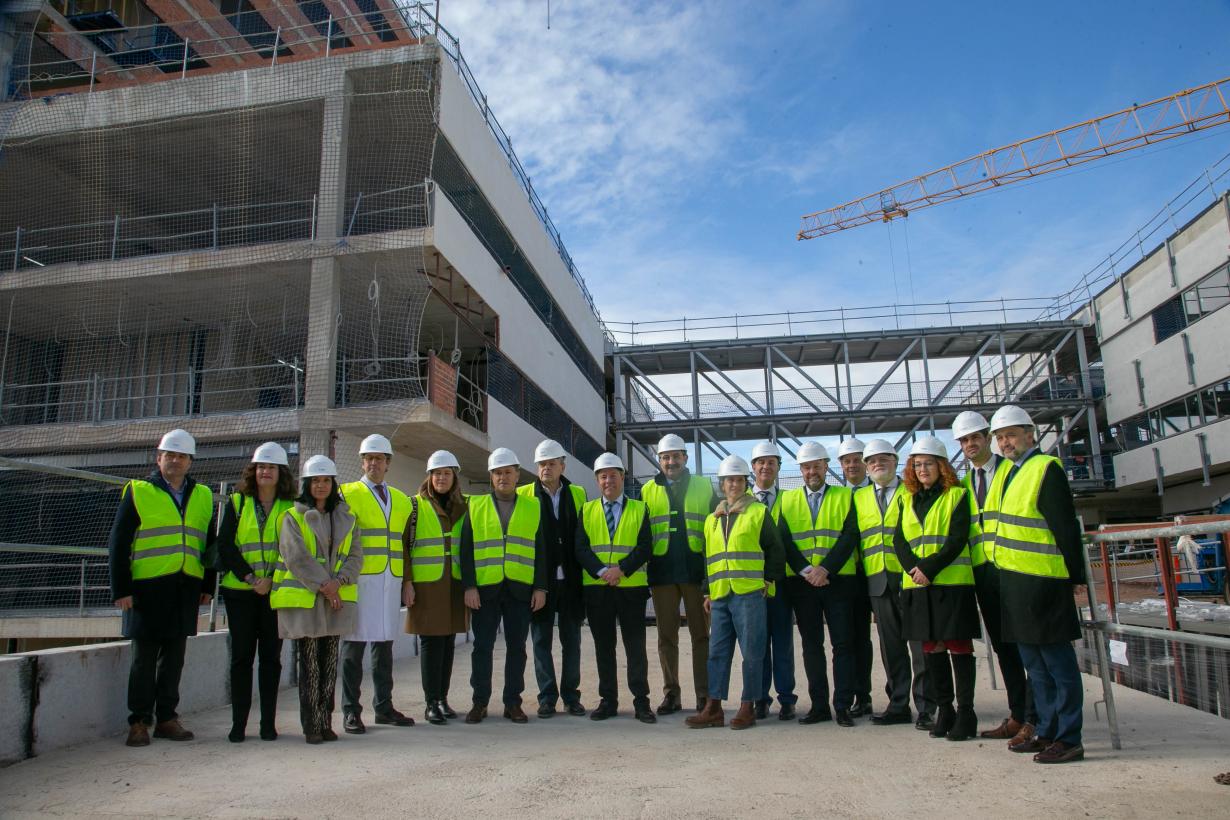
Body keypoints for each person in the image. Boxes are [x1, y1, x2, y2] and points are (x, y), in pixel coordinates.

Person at [987, 405, 1087, 764]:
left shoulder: (1045, 468)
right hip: (1015, 584)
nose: (1005, 442)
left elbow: (1065, 527)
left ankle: (1069, 738)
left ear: (1030, 435)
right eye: (1000, 437)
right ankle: (1046, 731)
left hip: (1045, 582)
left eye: (1011, 435)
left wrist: (1076, 577)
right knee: (1037, 669)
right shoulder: (1009, 474)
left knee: (1059, 666)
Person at [108, 428, 216, 747]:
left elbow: (208, 543)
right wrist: (121, 589)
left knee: (174, 658)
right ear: (159, 459)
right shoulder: (139, 491)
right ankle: (139, 722)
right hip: (147, 588)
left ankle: (167, 719)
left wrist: (208, 584)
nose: (176, 461)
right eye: (170, 455)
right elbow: (118, 542)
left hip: (186, 586)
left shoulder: (203, 495)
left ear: (190, 462)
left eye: (182, 456)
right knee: (143, 659)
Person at [952, 410, 1038, 747]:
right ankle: (1018, 714)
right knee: (1004, 648)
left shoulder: (1011, 471)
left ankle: (1034, 718)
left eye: (975, 437)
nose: (970, 444)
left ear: (988, 438)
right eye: (964, 440)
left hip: (1014, 569)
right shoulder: (963, 484)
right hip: (983, 573)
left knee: (1028, 647)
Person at [892, 436, 981, 742]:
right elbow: (899, 540)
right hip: (918, 585)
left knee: (958, 646)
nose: (922, 470)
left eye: (928, 463)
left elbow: (957, 538)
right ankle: (945, 709)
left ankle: (966, 712)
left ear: (941, 465)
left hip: (950, 583)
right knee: (932, 648)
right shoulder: (906, 499)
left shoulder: (957, 495)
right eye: (917, 464)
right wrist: (913, 569)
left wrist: (928, 568)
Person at [686, 455, 784, 730]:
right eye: (729, 480)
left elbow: (776, 550)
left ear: (745, 483)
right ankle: (714, 707)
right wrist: (707, 592)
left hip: (749, 594)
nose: (734, 485)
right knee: (717, 653)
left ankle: (747, 706)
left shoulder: (758, 512)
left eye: (739, 480)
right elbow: (708, 558)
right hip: (720, 596)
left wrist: (768, 581)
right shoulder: (712, 520)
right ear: (722, 484)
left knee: (752, 653)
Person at [272, 455, 363, 744]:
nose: (321, 485)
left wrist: (339, 582)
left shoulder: (347, 517)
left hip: (336, 601)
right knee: (310, 665)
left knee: (330, 664)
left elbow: (355, 557)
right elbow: (296, 557)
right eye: (315, 481)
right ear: (306, 484)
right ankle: (311, 724)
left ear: (333, 484)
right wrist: (326, 585)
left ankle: (326, 721)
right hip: (308, 601)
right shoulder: (292, 517)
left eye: (326, 480)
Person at [215, 441, 296, 742]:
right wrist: (250, 578)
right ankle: (238, 724)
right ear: (253, 470)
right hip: (240, 593)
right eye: (261, 466)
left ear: (281, 472)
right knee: (241, 659)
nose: (265, 471)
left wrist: (272, 580)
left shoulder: (291, 506)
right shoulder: (237, 502)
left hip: (275, 593)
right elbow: (225, 545)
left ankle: (267, 724)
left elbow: (295, 549)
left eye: (271, 467)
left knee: (271, 660)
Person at [460, 447, 548, 724]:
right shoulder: (475, 506)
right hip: (485, 590)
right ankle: (479, 702)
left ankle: (513, 703)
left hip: (520, 589)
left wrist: (540, 587)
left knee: (517, 648)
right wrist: (469, 586)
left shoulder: (533, 506)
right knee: (482, 647)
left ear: (517, 475)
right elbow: (465, 549)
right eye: (498, 472)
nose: (503, 477)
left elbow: (541, 550)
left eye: (508, 472)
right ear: (491, 476)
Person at [778, 441, 862, 727]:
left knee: (843, 645)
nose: (811, 471)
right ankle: (819, 706)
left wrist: (825, 569)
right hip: (803, 585)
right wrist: (806, 570)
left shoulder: (845, 496)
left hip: (838, 581)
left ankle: (843, 706)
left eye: (816, 466)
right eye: (806, 467)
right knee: (811, 646)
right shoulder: (786, 500)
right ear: (800, 470)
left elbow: (850, 536)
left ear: (826, 466)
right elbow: (784, 541)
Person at [853, 438, 933, 730]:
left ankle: (926, 707)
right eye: (872, 461)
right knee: (891, 648)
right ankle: (898, 704)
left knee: (920, 647)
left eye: (884, 459)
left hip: (911, 579)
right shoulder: (859, 497)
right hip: (878, 580)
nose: (878, 464)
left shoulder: (912, 491)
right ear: (866, 467)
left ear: (896, 461)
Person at [339, 434, 415, 733]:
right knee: (353, 648)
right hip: (359, 581)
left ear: (388, 463)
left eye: (379, 458)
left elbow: (404, 544)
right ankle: (350, 711)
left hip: (389, 581)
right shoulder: (347, 493)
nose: (374, 463)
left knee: (384, 647)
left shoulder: (401, 500)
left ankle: (384, 707)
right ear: (362, 462)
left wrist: (406, 580)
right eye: (369, 458)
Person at [574, 453, 655, 723]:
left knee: (635, 647)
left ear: (622, 477)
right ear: (597, 480)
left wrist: (620, 569)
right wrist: (602, 572)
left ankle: (641, 702)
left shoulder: (640, 509)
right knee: (604, 648)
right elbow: (581, 548)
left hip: (630, 589)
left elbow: (645, 547)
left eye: (613, 475)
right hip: (598, 590)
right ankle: (608, 701)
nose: (608, 480)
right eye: (603, 476)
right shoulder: (586, 510)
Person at [640, 433, 716, 715]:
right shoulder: (647, 490)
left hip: (696, 572)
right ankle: (671, 694)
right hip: (662, 573)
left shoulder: (704, 486)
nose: (670, 462)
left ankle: (704, 695)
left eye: (675, 456)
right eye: (665, 457)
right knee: (666, 638)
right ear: (659, 460)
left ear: (685, 457)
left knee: (701, 637)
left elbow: (716, 527)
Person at [518, 439, 588, 718]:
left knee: (572, 642)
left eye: (551, 463)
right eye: (542, 464)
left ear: (562, 466)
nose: (546, 468)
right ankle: (547, 698)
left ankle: (571, 697)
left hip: (571, 581)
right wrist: (536, 584)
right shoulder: (524, 494)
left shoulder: (578, 494)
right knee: (541, 642)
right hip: (540, 582)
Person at [403, 450, 469, 725]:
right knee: (431, 643)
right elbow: (404, 548)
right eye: (437, 473)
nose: (441, 478)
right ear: (429, 477)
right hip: (427, 586)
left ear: (454, 477)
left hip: (454, 584)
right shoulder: (414, 505)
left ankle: (442, 698)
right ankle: (431, 703)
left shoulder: (464, 505)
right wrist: (407, 583)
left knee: (448, 642)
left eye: (446, 473)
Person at [748, 440, 797, 721]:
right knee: (757, 644)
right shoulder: (741, 500)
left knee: (782, 642)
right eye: (761, 462)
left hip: (783, 582)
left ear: (778, 466)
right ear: (753, 467)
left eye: (771, 462)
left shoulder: (790, 499)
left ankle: (786, 698)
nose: (765, 467)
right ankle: (760, 698)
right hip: (752, 583)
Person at [838, 436, 874, 718]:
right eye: (847, 461)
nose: (852, 465)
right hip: (849, 578)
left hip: (879, 573)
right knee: (853, 639)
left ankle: (899, 699)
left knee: (889, 641)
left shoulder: (879, 491)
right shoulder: (839, 498)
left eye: (857, 460)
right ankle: (859, 697)